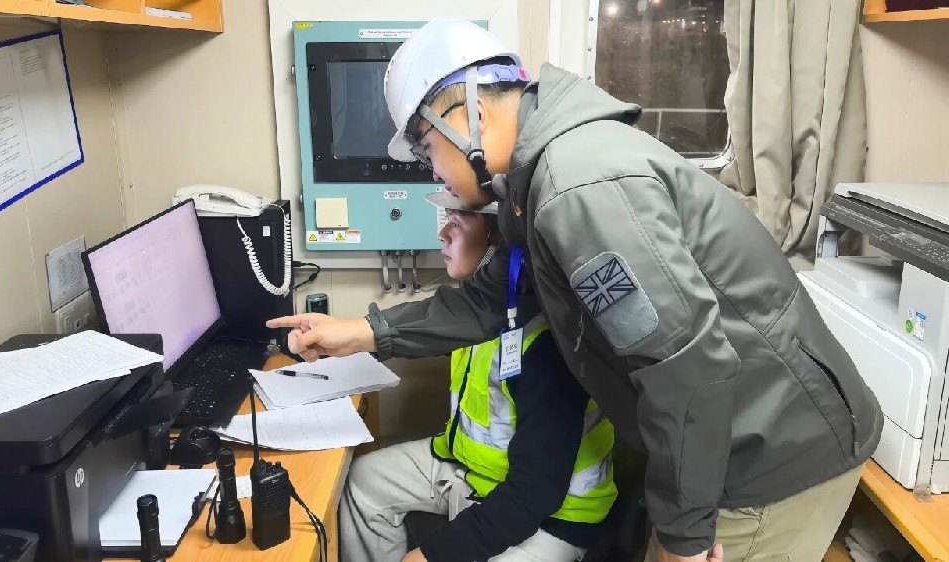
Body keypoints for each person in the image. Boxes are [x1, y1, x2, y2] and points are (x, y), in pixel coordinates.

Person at [271, 19, 881, 562]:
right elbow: (490, 301)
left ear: (470, 115)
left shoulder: (577, 187)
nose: (433, 171)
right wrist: (367, 331)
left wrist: (684, 536)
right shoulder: (533, 181)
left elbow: (686, 369)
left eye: (428, 149)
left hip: (768, 461)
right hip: (719, 446)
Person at [340, 192, 617, 562]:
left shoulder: (547, 342)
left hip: (554, 515)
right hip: (475, 472)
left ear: (500, 240)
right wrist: (349, 340)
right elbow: (422, 334)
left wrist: (433, 555)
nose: (442, 234)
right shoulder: (477, 314)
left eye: (456, 222)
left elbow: (534, 494)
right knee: (365, 481)